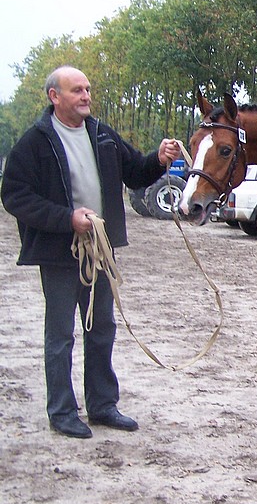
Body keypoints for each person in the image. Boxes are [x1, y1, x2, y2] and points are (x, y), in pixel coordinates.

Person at [1, 66, 181, 439]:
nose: (86, 96)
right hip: (59, 252)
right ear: (55, 96)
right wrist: (67, 218)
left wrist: (159, 158)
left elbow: (136, 171)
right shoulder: (36, 141)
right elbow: (15, 195)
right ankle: (63, 412)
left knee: (102, 329)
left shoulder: (102, 134)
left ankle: (101, 406)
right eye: (76, 90)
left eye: (87, 90)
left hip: (101, 250)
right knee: (61, 334)